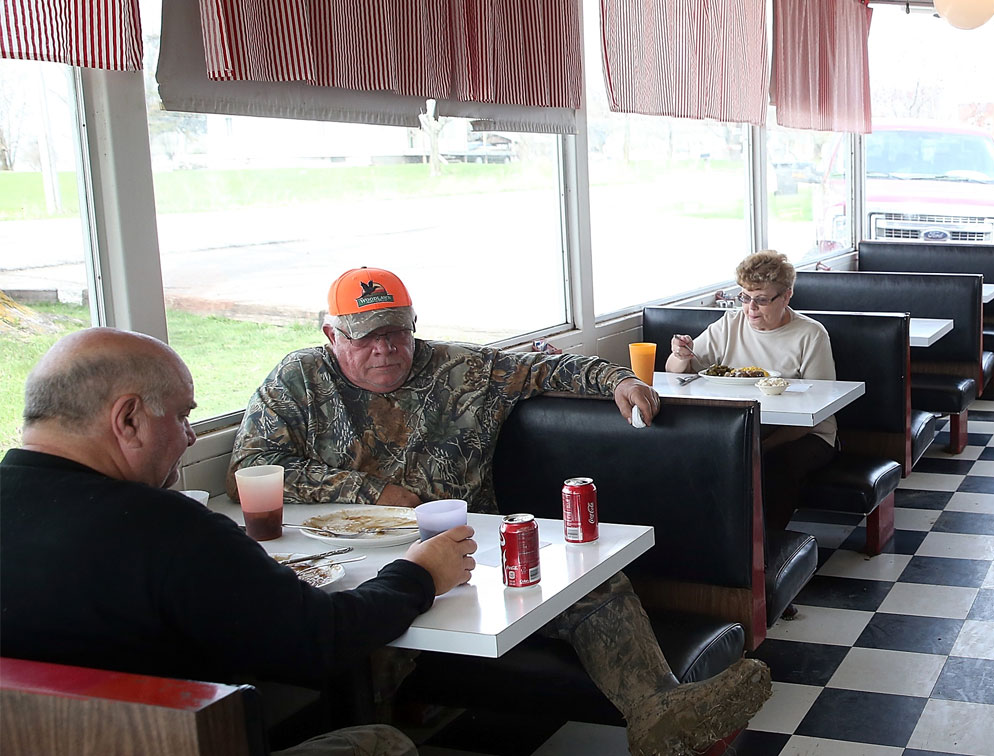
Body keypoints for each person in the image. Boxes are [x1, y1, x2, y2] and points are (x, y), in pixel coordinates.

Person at [229, 267, 770, 756]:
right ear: (332, 335)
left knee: (592, 583)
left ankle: (658, 711)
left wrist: (619, 380)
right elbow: (252, 464)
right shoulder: (298, 381)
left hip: (476, 557)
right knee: (352, 639)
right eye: (368, 334)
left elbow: (546, 369)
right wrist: (370, 490)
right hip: (353, 564)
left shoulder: (461, 369)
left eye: (398, 330)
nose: (387, 347)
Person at [0, 328, 479, 756]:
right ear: (127, 420)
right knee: (382, 744)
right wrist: (419, 573)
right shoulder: (167, 529)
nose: (189, 437)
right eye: (183, 416)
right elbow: (320, 641)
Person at [664, 250, 838, 538]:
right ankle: (706, 542)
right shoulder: (729, 325)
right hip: (739, 430)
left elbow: (816, 412)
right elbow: (676, 372)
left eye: (761, 299)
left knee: (772, 468)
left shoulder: (811, 334)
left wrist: (760, 446)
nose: (751, 309)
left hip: (806, 435)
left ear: (786, 296)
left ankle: (762, 555)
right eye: (745, 297)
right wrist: (681, 354)